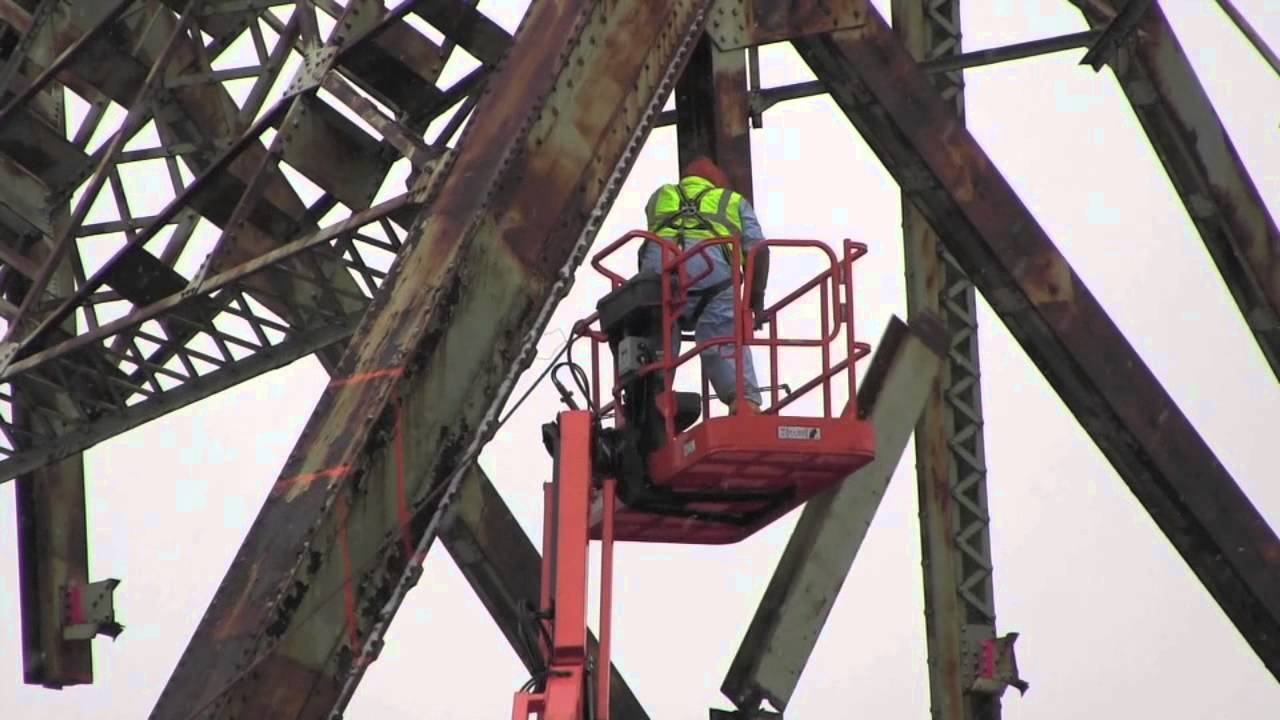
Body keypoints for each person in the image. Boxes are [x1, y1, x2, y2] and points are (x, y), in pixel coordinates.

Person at [638, 156, 769, 413]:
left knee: (660, 334)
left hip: (662, 272)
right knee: (723, 335)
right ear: (717, 185)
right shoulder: (731, 201)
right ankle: (743, 403)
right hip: (712, 273)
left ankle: (653, 403)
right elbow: (759, 251)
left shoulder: (660, 196)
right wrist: (755, 301)